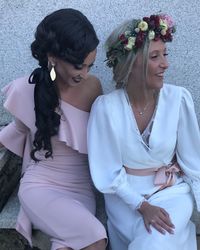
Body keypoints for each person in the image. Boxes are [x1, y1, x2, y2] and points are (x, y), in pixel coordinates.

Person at [87, 14, 200, 250]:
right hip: (124, 198)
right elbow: (107, 170)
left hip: (171, 192)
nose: (165, 64)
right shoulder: (106, 109)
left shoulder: (178, 99)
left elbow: (193, 161)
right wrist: (142, 206)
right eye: (155, 57)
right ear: (131, 63)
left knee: (156, 240)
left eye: (165, 55)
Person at [0, 8, 107, 250]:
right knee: (96, 238)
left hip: (81, 188)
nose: (85, 73)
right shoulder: (27, 89)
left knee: (68, 245)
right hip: (40, 186)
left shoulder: (93, 87)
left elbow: (106, 134)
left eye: (90, 66)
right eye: (79, 66)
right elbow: (16, 131)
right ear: (53, 56)